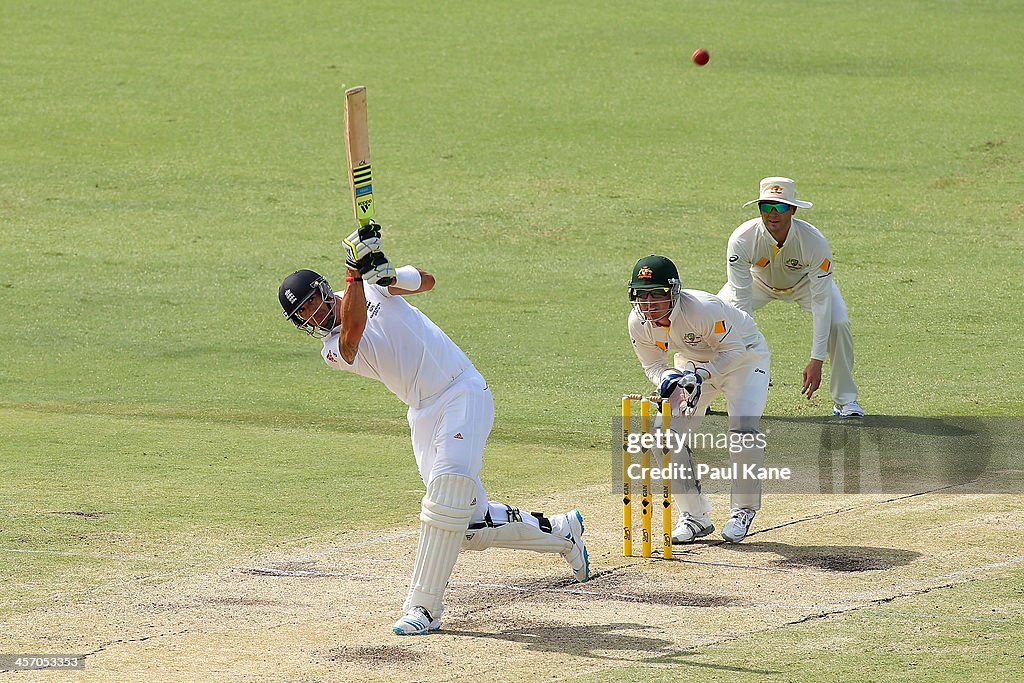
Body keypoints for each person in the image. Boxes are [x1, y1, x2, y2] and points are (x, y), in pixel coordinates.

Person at [278, 223, 588, 636]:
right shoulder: (332, 349)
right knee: (469, 529)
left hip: (461, 392)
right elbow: (353, 336)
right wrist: (355, 272)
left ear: (323, 288)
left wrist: (387, 275)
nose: (315, 316)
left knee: (446, 497)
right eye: (305, 317)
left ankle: (423, 608)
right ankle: (563, 532)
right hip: (423, 413)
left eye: (314, 304)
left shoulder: (370, 287)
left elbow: (427, 281)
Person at [627, 254, 770, 544]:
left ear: (674, 292)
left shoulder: (702, 309)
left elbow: (734, 351)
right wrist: (667, 377)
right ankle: (695, 516)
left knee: (742, 432)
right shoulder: (638, 323)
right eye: (642, 295)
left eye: (657, 294)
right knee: (663, 435)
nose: (650, 303)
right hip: (692, 366)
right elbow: (653, 365)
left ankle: (742, 510)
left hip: (743, 358)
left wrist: (701, 376)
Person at [718, 177, 863, 418]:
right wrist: (751, 358)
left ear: (793, 209)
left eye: (781, 207)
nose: (773, 214)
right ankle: (701, 391)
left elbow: (821, 303)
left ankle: (845, 401)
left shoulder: (814, 242)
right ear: (759, 209)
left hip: (804, 284)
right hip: (758, 282)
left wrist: (816, 361)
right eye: (766, 206)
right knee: (716, 315)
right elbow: (741, 303)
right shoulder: (742, 239)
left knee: (839, 324)